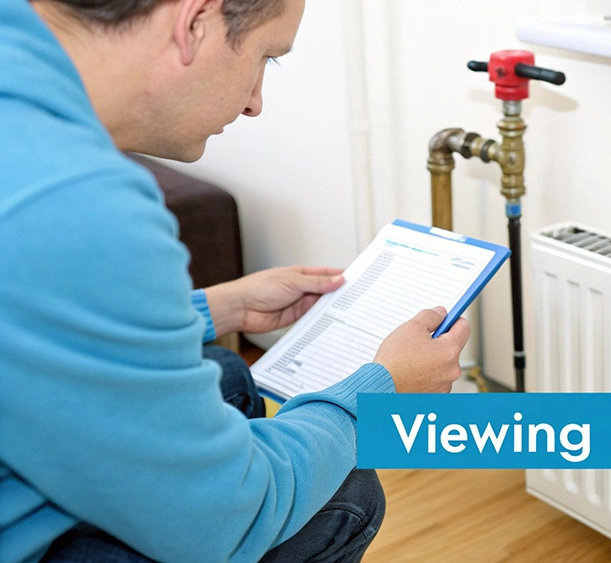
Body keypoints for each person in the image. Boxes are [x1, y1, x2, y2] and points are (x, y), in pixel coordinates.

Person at [0, 0, 472, 561]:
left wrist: (215, 308)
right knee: (343, 499)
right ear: (195, 22)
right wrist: (379, 395)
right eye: (266, 57)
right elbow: (227, 517)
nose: (255, 103)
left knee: (226, 371)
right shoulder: (80, 204)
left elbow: (31, 321)